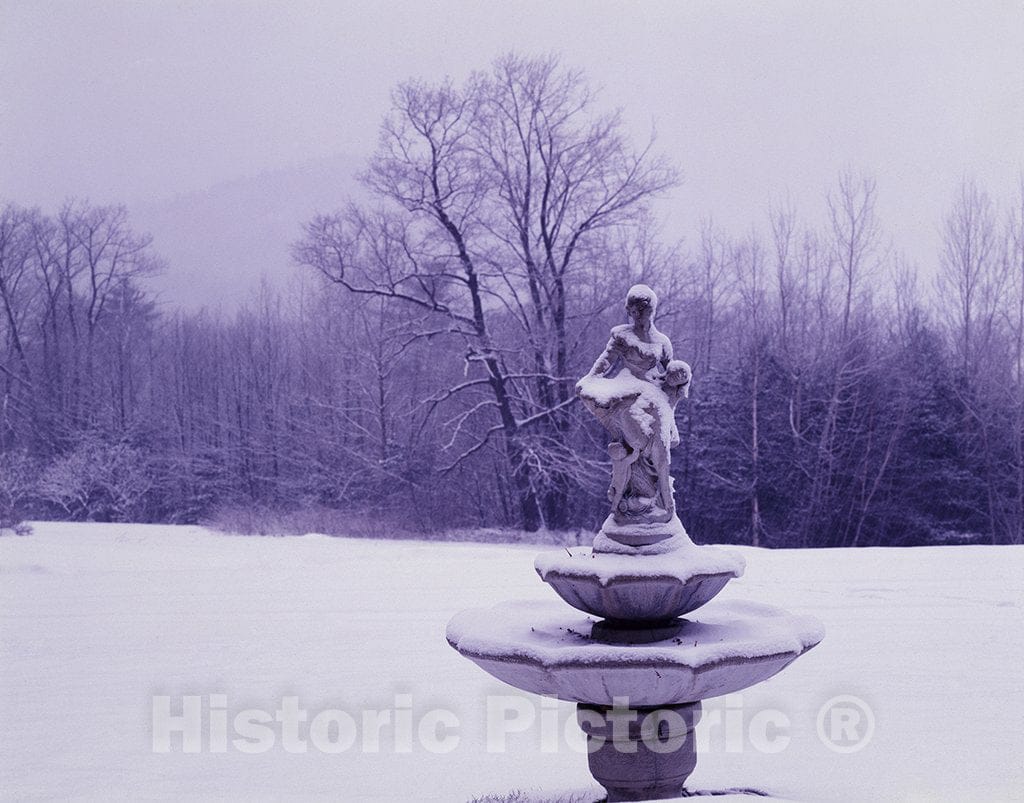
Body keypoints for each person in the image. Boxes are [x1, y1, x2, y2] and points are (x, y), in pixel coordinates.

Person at [577, 284, 691, 524]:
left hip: (653, 393)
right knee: (634, 442)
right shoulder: (622, 336)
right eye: (634, 312)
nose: (638, 316)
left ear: (651, 311)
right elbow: (604, 362)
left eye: (642, 311)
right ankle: (627, 493)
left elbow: (671, 371)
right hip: (627, 390)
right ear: (630, 312)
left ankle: (658, 500)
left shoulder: (662, 342)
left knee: (658, 447)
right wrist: (591, 380)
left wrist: (682, 379)